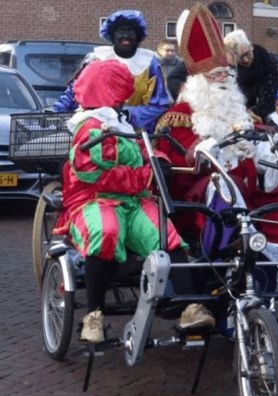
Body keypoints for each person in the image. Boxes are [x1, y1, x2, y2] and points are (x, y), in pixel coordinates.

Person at [154, 3, 278, 362]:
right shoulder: (178, 117)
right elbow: (172, 165)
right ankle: (235, 316)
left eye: (224, 74)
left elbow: (261, 140)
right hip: (203, 200)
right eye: (214, 75)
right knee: (224, 194)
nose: (221, 80)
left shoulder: (242, 112)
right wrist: (199, 154)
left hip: (254, 196)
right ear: (198, 80)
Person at [52, 60, 210, 343]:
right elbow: (94, 175)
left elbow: (144, 149)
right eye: (122, 88)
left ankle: (189, 307)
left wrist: (160, 162)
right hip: (93, 201)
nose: (127, 94)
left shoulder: (120, 122)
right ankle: (93, 317)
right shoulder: (89, 126)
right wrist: (146, 176)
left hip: (134, 201)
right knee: (106, 230)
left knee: (164, 232)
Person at [53, 10, 170, 133]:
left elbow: (159, 104)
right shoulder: (98, 57)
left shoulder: (150, 63)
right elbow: (77, 90)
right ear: (112, 35)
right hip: (96, 128)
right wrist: (57, 110)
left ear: (138, 35)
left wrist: (128, 114)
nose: (125, 35)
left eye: (130, 31)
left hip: (136, 132)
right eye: (121, 31)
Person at [224, 29, 278, 122]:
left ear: (251, 47)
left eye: (247, 54)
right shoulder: (233, 72)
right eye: (240, 58)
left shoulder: (273, 61)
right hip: (251, 122)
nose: (245, 60)